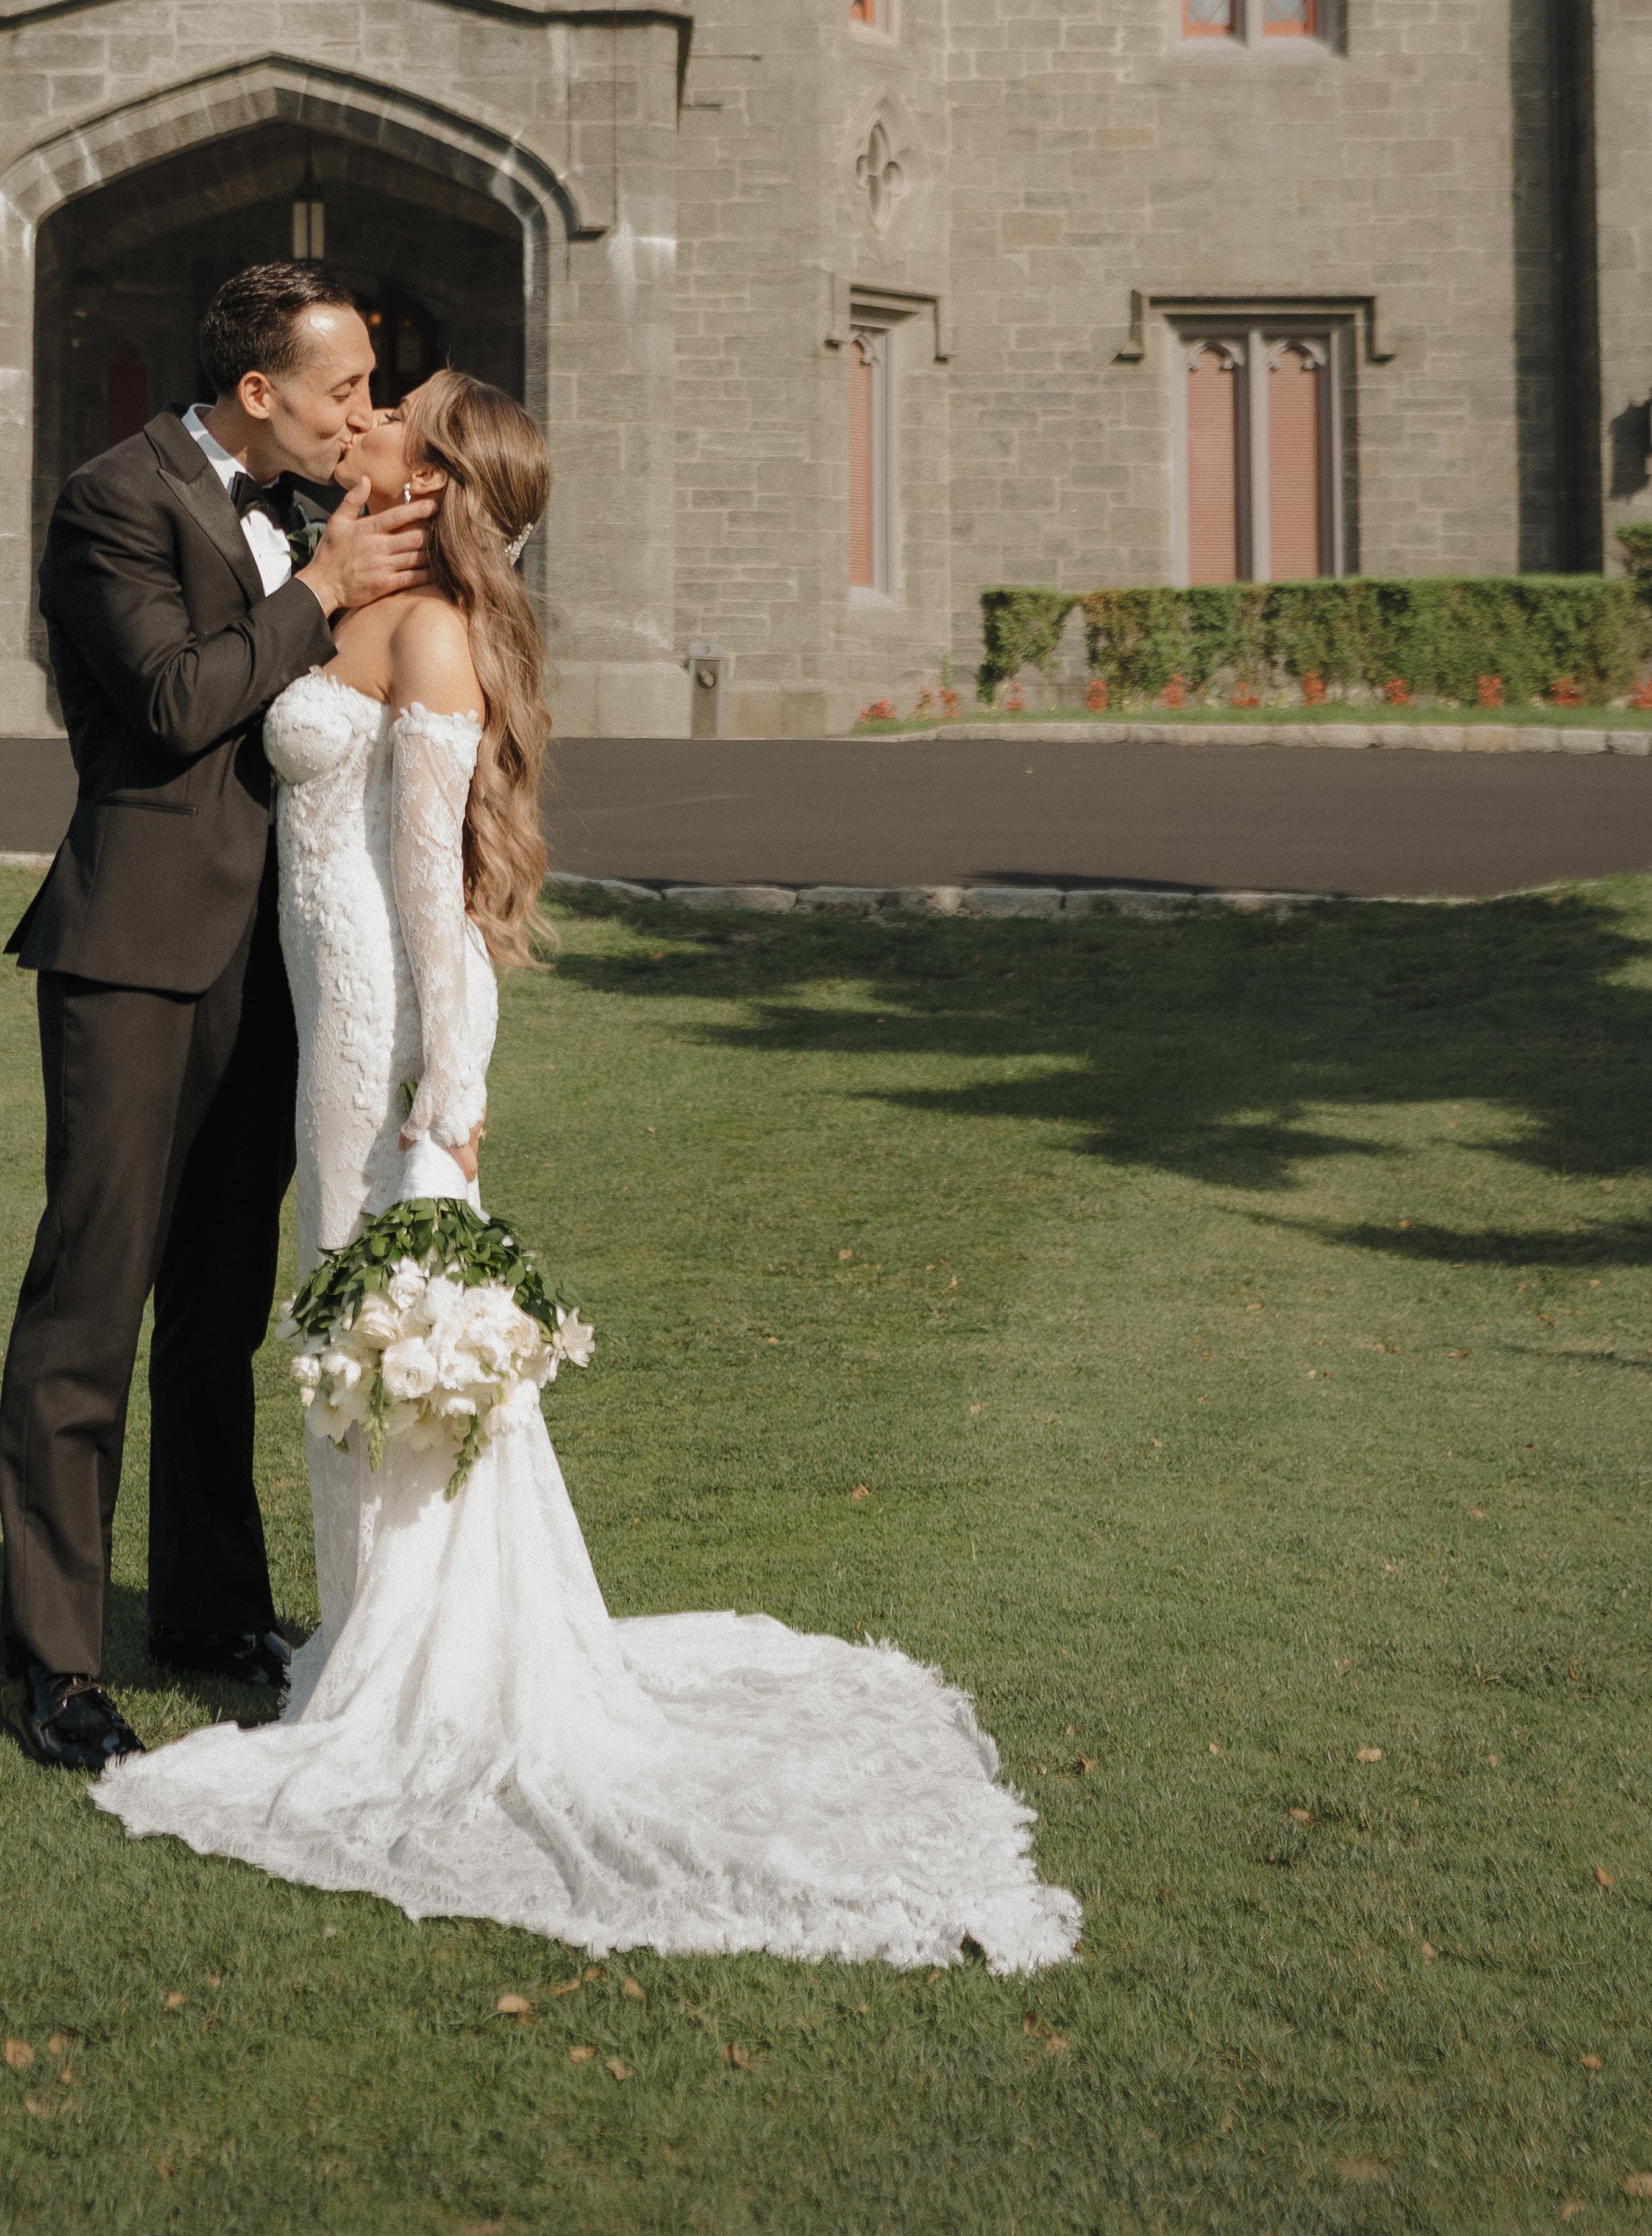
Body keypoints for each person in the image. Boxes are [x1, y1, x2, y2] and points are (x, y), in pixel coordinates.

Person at [94, 372, 1083, 1972]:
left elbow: (438, 890)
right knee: (336, 1323)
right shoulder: (347, 593)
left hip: (386, 1029)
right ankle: (366, 1631)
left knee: (367, 1321)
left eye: (396, 415)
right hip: (323, 1008)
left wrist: (450, 1092)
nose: (370, 418)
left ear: (433, 479)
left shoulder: (433, 636)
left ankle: (403, 1673)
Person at [0, 263, 438, 1771]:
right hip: (132, 954)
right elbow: (176, 701)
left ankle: (208, 1607)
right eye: (342, 389)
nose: (361, 412)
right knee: (89, 1303)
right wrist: (321, 591)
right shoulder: (111, 500)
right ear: (259, 391)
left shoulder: (316, 509)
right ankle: (55, 1663)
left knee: (218, 1308)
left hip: (280, 962)